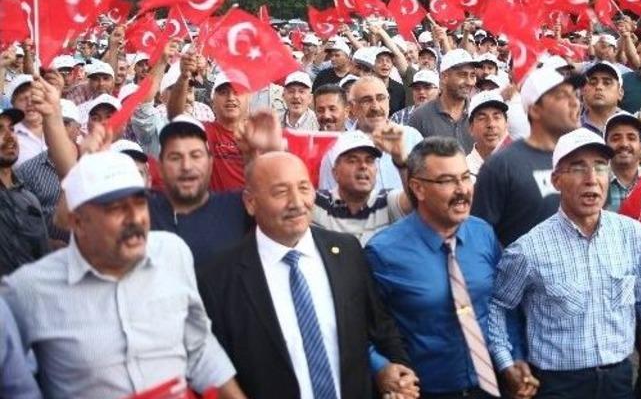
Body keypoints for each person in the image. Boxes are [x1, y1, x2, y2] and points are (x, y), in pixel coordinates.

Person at [2, 151, 245, 398]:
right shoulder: (28, 290)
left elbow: (201, 348)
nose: (135, 219)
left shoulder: (172, 253)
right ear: (78, 223)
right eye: (116, 209)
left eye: (140, 203)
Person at [198, 152, 417, 399]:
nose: (297, 202)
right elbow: (216, 368)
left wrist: (397, 369)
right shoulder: (219, 278)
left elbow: (380, 327)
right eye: (280, 192)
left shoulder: (346, 251)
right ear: (250, 202)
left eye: (304, 188)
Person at [488, 128, 641, 398]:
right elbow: (499, 306)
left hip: (619, 379)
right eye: (577, 168)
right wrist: (506, 363)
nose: (591, 179)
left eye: (600, 167)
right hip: (558, 385)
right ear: (556, 180)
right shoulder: (528, 249)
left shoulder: (631, 235)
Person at [366, 137, 513, 397]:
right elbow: (357, 326)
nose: (462, 190)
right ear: (418, 188)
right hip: (428, 389)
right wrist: (381, 368)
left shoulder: (482, 234)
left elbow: (505, 304)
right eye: (447, 181)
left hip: (493, 386)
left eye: (465, 177)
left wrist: (515, 358)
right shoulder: (383, 252)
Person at [473, 66, 579, 247]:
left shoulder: (582, 159)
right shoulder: (501, 166)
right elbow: (478, 240)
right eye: (562, 96)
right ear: (535, 110)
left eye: (575, 95)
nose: (575, 103)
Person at [147, 115, 254, 266]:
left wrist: (263, 154)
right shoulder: (143, 210)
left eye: (195, 156)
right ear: (160, 167)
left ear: (210, 163)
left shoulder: (238, 207)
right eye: (175, 157)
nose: (186, 166)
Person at [318, 77, 423, 192]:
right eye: (366, 100)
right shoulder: (337, 148)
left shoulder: (412, 137)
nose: (375, 107)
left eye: (381, 98)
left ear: (388, 101)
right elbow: (328, 200)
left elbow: (425, 189)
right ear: (353, 107)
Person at [313, 130, 412, 246]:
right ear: (335, 173)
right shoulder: (318, 203)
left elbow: (416, 200)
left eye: (369, 161)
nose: (363, 166)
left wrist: (401, 160)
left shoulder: (386, 201)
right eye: (353, 160)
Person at [169, 66, 251, 192]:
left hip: (251, 209)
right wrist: (184, 77)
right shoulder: (203, 131)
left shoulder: (259, 135)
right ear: (213, 102)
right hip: (214, 209)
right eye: (223, 92)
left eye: (237, 92)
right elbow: (176, 117)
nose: (230, 98)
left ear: (248, 99)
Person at [15, 98, 81, 246]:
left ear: (78, 128)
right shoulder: (28, 170)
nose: (58, 129)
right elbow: (20, 220)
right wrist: (47, 243)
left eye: (65, 123)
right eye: (51, 123)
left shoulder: (93, 163)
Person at [0, 106, 49, 275]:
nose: (9, 136)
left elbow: (43, 258)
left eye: (12, 129)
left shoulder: (28, 199)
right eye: (0, 130)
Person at [408, 49, 478, 151]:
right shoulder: (420, 116)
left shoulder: (479, 113)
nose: (469, 82)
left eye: (472, 75)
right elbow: (412, 160)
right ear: (444, 77)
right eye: (462, 75)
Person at [466, 90, 510, 175]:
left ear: (506, 124)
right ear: (471, 128)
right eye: (482, 118)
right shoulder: (463, 171)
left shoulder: (519, 166)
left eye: (496, 117)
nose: (491, 124)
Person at [8, 75, 46, 165]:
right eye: (22, 99)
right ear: (13, 105)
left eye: (34, 96)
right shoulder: (8, 137)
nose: (29, 103)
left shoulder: (58, 125)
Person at [580, 61, 624, 135]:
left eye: (607, 83)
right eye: (593, 82)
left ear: (620, 93)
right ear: (583, 91)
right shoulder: (572, 128)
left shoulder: (635, 125)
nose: (599, 87)